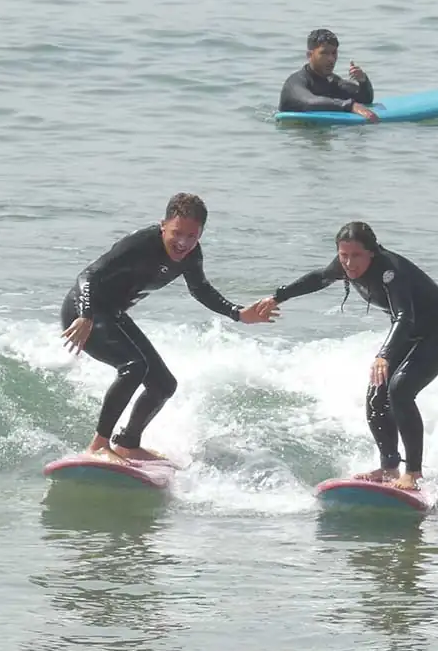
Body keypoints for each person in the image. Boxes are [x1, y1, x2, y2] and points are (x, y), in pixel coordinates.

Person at [60, 193, 279, 464]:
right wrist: (85, 315)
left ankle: (128, 443)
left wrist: (237, 313)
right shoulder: (141, 243)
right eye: (177, 233)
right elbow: (88, 275)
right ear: (163, 225)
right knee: (134, 366)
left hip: (112, 314)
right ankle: (99, 445)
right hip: (84, 311)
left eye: (192, 236)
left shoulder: (191, 255)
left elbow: (200, 289)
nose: (183, 243)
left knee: (163, 385)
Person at [262, 222, 438, 491]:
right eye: (343, 255)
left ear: (372, 252)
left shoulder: (390, 272)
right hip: (412, 332)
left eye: (356, 256)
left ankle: (413, 472)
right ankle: (389, 467)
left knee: (400, 390)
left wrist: (384, 355)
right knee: (377, 393)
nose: (348, 263)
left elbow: (404, 316)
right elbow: (319, 278)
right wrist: (277, 297)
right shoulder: (344, 264)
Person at [278, 28, 379, 123]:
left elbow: (365, 100)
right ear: (309, 55)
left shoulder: (332, 81)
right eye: (324, 53)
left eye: (334, 53)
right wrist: (350, 106)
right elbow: (309, 102)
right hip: (295, 135)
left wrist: (363, 81)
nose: (331, 59)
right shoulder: (295, 83)